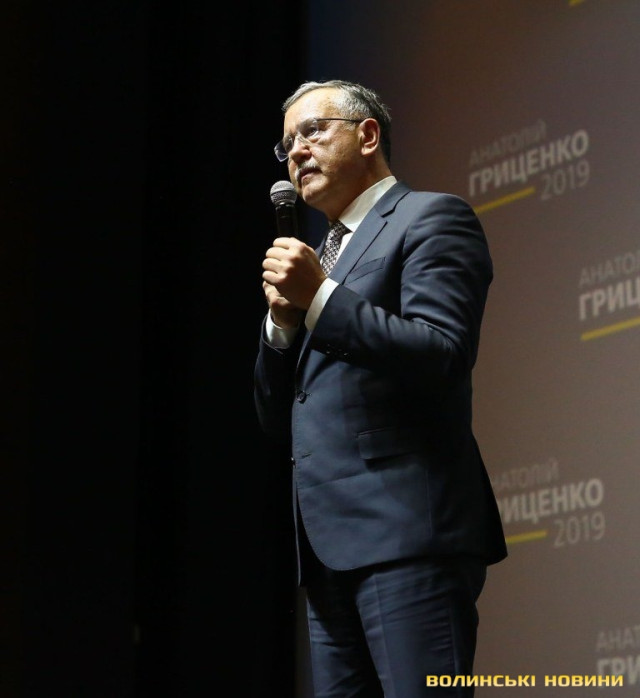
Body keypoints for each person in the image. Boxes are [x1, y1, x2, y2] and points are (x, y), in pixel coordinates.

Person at [254, 79, 507, 697]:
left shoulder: (430, 217)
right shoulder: (321, 255)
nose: (297, 152)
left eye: (313, 131)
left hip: (407, 534)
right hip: (326, 546)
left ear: (367, 135)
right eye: (287, 144)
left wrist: (320, 298)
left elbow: (441, 353)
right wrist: (282, 327)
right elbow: (278, 414)